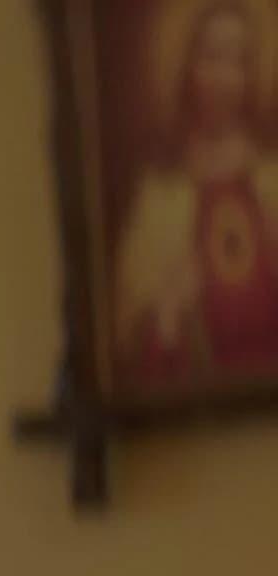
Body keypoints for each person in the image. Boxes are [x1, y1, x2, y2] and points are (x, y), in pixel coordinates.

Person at [117, 0, 278, 388]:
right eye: (212, 58)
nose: (226, 78)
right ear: (185, 68)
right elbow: (128, 347)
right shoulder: (161, 193)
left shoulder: (273, 177)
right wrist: (167, 314)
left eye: (238, 60)